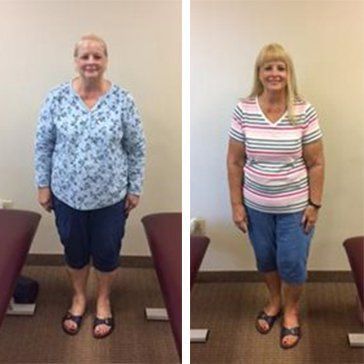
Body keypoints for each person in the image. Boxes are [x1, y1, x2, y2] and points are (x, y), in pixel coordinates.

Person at [35, 34, 146, 339]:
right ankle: (79, 297)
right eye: (85, 56)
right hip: (66, 194)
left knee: (107, 251)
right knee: (74, 249)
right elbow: (43, 144)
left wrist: (134, 188)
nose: (91, 62)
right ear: (75, 60)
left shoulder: (123, 100)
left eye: (97, 56)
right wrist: (43, 185)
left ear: (106, 60)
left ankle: (103, 300)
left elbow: (136, 147)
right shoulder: (56, 98)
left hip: (111, 196)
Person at [227, 43, 324, 349]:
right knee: (266, 259)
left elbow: (317, 162)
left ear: (288, 73)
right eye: (268, 67)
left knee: (292, 262)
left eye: (280, 67)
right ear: (259, 73)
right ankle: (274, 302)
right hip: (256, 206)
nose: (274, 73)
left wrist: (314, 204)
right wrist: (236, 205)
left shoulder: (304, 110)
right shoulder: (244, 109)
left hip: (296, 207)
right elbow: (234, 161)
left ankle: (292, 310)